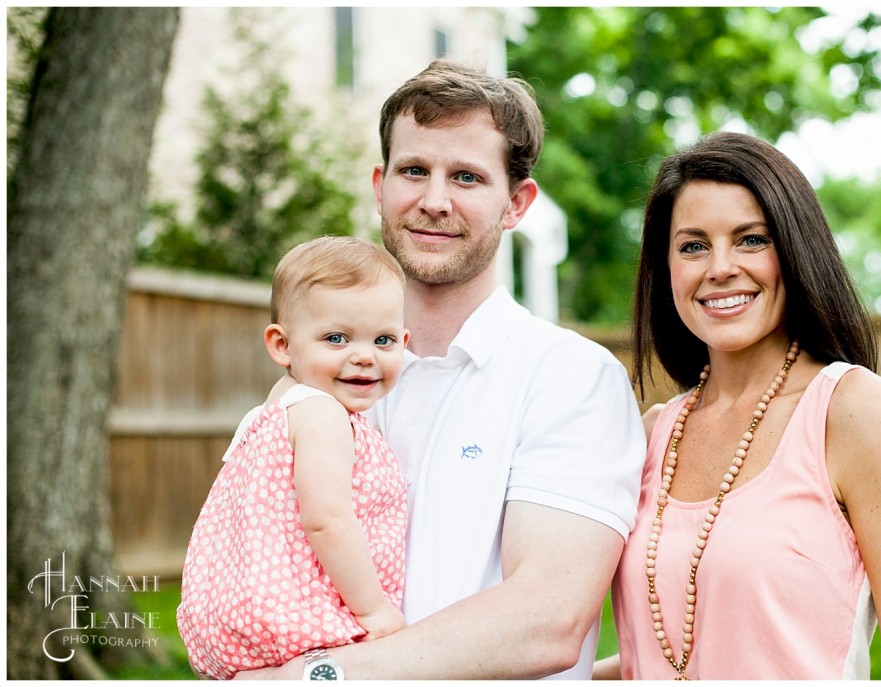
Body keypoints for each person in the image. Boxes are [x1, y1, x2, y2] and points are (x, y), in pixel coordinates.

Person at [238, 59, 647, 680]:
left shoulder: (571, 378)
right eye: (413, 171)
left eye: (465, 177)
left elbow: (547, 620)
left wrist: (320, 678)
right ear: (379, 185)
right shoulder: (318, 379)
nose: (433, 201)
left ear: (516, 203)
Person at [592, 131, 881, 680]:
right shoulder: (652, 433)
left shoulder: (855, 414)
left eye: (751, 240)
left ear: (795, 250)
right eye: (693, 245)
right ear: (666, 269)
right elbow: (674, 651)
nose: (719, 266)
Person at [177, 236, 410, 680]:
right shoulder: (323, 415)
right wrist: (375, 608)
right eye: (336, 338)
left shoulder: (283, 403)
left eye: (383, 340)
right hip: (303, 622)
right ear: (282, 345)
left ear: (404, 340)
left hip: (244, 615)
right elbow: (328, 520)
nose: (363, 356)